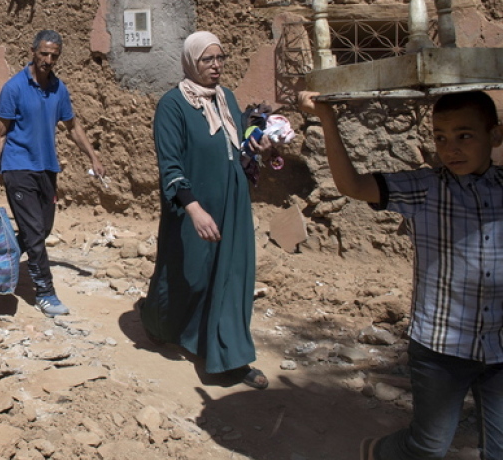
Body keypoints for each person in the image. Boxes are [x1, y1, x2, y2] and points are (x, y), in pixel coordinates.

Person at [298, 89, 503, 460]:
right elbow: (352, 186)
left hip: (498, 345)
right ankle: (379, 451)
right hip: (441, 348)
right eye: (440, 137)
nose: (451, 148)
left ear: (495, 136)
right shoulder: (426, 188)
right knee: (428, 446)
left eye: (464, 135)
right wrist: (327, 120)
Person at [138, 31, 270, 389]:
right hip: (192, 204)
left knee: (231, 276)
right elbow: (170, 164)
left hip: (232, 202)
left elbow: (238, 147)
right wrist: (194, 209)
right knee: (189, 274)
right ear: (190, 62)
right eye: (207, 60)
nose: (216, 66)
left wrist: (257, 144)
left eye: (219, 58)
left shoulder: (226, 98)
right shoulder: (173, 105)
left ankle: (230, 357)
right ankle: (158, 322)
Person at [0, 30, 105, 317]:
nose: (48, 60)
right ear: (33, 52)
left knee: (42, 229)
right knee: (35, 232)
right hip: (18, 167)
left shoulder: (58, 89)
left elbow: (73, 127)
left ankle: (2, 256)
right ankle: (45, 293)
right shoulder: (14, 88)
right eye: (44, 54)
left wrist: (94, 157)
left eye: (54, 56)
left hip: (47, 168)